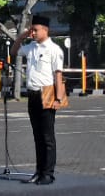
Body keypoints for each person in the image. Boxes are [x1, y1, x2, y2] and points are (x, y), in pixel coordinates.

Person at [13, 14, 66, 185]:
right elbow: (14, 52)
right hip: (33, 93)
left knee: (47, 137)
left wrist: (59, 98)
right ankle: (38, 170)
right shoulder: (30, 47)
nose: (33, 33)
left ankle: (48, 173)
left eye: (35, 30)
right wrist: (22, 36)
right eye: (32, 30)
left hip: (48, 92)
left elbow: (58, 75)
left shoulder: (54, 50)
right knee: (37, 136)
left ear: (45, 30)